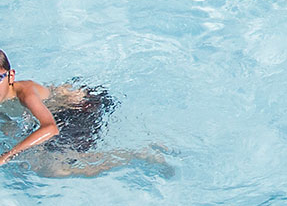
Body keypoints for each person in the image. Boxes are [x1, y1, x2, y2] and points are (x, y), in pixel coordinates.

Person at [0, 49, 164, 177]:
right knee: (30, 159)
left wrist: (8, 155)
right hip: (59, 110)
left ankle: (139, 154)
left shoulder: (25, 93)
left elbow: (50, 128)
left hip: (81, 107)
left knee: (53, 168)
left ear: (11, 76)